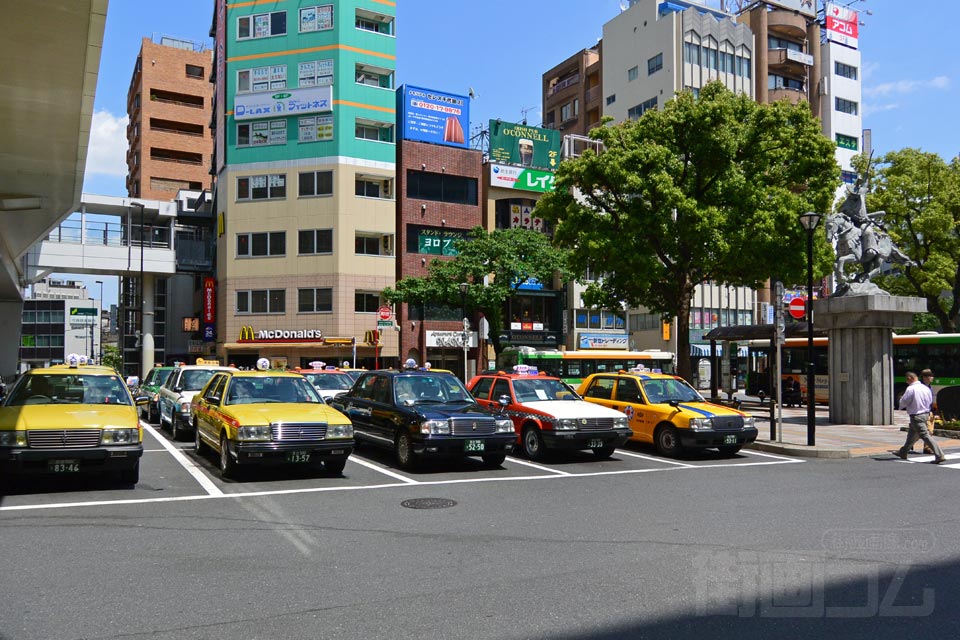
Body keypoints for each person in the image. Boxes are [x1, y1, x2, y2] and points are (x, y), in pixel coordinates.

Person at [892, 371, 945, 464]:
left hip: (916, 415)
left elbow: (904, 401)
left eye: (906, 379)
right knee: (912, 435)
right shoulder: (926, 388)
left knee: (925, 435)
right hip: (925, 414)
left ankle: (939, 455)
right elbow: (930, 401)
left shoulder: (911, 389)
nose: (906, 381)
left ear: (910, 378)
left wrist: (901, 405)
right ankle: (903, 452)